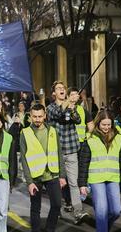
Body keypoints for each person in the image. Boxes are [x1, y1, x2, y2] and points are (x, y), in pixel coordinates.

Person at [78, 110, 121, 232]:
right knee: (101, 211)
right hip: (96, 179)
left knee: (116, 211)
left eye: (109, 124)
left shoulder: (118, 138)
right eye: (104, 124)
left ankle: (103, 226)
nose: (106, 127)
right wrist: (82, 184)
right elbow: (83, 162)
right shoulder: (90, 138)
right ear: (98, 123)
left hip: (113, 178)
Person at [19, 103, 65, 232]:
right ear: (30, 116)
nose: (37, 119)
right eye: (35, 116)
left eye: (40, 116)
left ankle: (50, 229)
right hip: (35, 177)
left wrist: (62, 175)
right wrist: (29, 182)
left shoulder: (52, 131)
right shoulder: (25, 133)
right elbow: (24, 159)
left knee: (57, 205)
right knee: (35, 208)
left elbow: (59, 153)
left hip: (52, 174)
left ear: (45, 115)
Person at [46, 82, 87, 223]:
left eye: (63, 88)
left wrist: (73, 107)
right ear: (54, 93)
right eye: (58, 88)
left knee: (73, 183)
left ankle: (78, 212)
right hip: (56, 153)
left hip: (71, 150)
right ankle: (56, 210)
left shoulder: (70, 105)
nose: (62, 90)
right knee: (57, 184)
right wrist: (68, 102)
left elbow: (78, 120)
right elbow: (59, 113)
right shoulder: (50, 108)